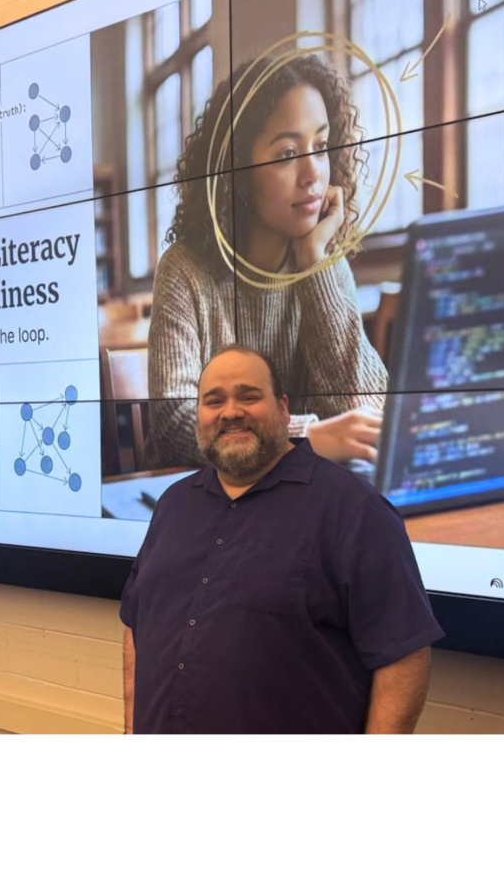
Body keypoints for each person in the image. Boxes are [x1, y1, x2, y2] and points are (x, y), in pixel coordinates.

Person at [121, 345, 443, 736]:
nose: (231, 412)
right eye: (214, 400)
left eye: (249, 396)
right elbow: (137, 628)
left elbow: (403, 657)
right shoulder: (172, 504)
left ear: (284, 408)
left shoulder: (356, 510)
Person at [144, 52, 387, 470]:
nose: (313, 173)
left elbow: (366, 415)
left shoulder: (324, 265)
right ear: (237, 171)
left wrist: (315, 262)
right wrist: (304, 438)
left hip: (305, 507)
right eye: (288, 153)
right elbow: (174, 429)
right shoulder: (185, 270)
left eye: (321, 146)